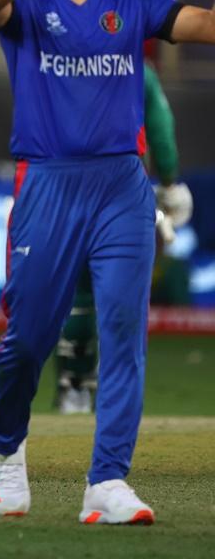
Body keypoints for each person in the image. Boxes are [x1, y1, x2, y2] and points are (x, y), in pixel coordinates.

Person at [0, 0, 215, 524]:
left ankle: (107, 482)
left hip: (121, 188)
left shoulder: (131, 2)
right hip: (49, 183)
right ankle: (4, 450)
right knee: (29, 339)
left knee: (123, 336)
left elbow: (200, 24)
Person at [54, 62, 192, 414]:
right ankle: (114, 395)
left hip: (61, 186)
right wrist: (171, 181)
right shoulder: (136, 71)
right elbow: (160, 130)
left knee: (76, 294)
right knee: (120, 296)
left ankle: (72, 384)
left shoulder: (56, 61)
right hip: (122, 191)